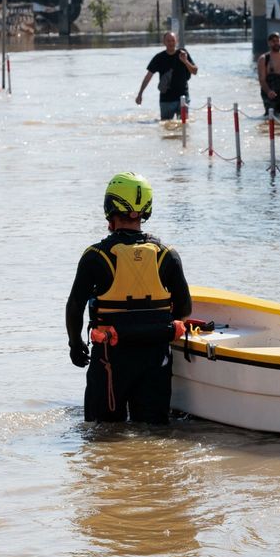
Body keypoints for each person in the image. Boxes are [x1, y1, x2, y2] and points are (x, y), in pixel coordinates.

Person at [66, 172, 193, 424]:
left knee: (102, 435)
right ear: (146, 209)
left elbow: (75, 306)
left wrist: (75, 344)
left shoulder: (96, 256)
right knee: (154, 433)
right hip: (156, 360)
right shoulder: (166, 255)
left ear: (109, 207)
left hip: (110, 362)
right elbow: (185, 307)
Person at [134, 31, 198, 120]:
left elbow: (195, 71)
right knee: (166, 126)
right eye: (168, 41)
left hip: (183, 98)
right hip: (166, 100)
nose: (171, 43)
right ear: (164, 42)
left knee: (184, 126)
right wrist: (140, 93)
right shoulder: (159, 58)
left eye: (173, 40)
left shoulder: (183, 54)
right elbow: (148, 76)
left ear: (177, 41)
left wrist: (185, 61)